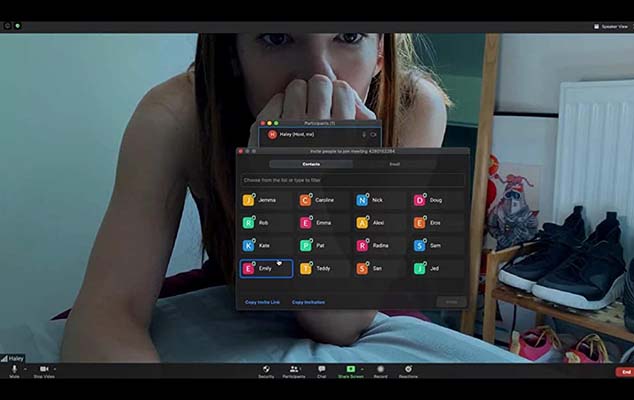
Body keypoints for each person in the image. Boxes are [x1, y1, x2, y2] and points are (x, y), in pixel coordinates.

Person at [60, 33, 450, 362]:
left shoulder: (413, 108)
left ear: (379, 51)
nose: (320, 75)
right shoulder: (175, 115)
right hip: (232, 285)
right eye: (277, 39)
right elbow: (110, 310)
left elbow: (342, 325)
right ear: (233, 54)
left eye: (349, 37)